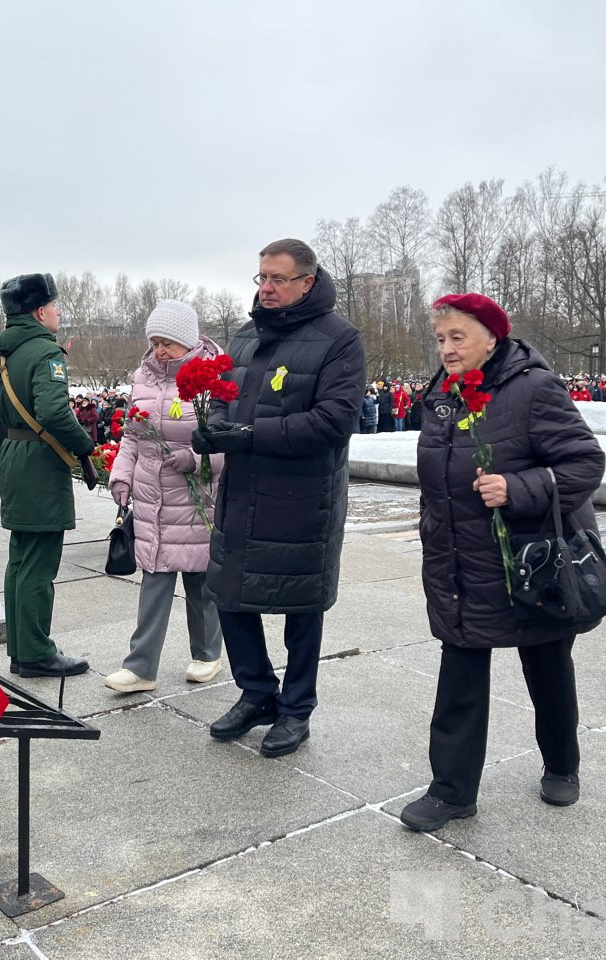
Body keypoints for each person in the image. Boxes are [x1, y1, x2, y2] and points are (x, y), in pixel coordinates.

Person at [400, 293, 604, 833]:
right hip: (461, 560)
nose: (446, 348)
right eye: (441, 339)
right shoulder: (441, 394)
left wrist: (518, 488)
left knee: (547, 669)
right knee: (460, 670)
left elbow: (585, 461)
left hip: (530, 561)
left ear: (492, 337)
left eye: (457, 337)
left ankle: (562, 763)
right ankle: (451, 791)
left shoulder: (534, 389)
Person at [192, 238, 366, 758]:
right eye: (261, 278)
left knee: (300, 608)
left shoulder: (339, 339)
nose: (265, 288)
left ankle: (296, 708)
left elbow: (335, 421)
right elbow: (225, 398)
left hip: (301, 497)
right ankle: (257, 692)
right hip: (243, 492)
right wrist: (211, 429)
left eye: (277, 279)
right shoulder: (244, 338)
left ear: (306, 282)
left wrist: (245, 434)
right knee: (228, 593)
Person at [104, 300, 225, 694]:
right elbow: (133, 436)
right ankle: (141, 667)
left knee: (200, 581)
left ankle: (207, 654)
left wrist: (197, 458)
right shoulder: (143, 377)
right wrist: (121, 476)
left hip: (196, 499)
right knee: (154, 581)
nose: (159, 350)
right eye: (155, 341)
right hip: (152, 497)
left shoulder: (212, 376)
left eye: (168, 342)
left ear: (188, 342)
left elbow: (230, 436)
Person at [0, 273, 95, 678]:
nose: (58, 313)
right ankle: (36, 652)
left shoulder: (2, 352)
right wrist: (85, 445)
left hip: (15, 454)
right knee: (38, 564)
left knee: (20, 559)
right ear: (39, 311)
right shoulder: (44, 352)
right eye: (54, 306)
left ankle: (21, 649)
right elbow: (54, 412)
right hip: (39, 461)